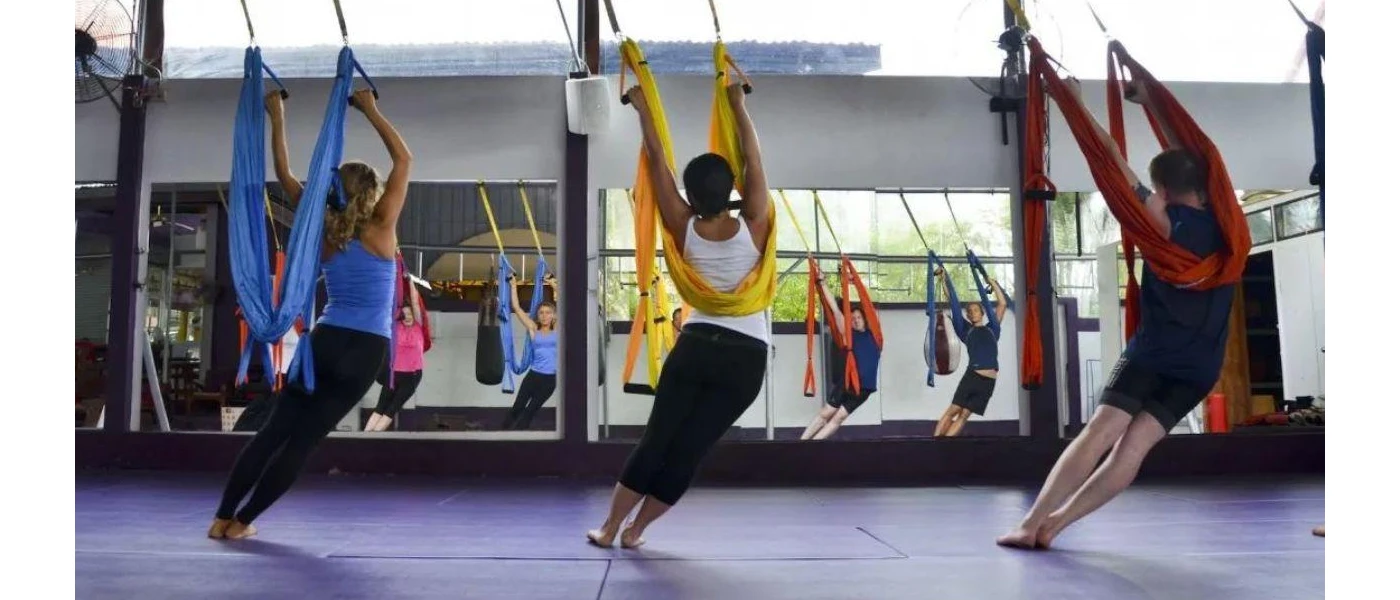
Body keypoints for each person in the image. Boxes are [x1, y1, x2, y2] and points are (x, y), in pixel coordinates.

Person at [997, 77, 1235, 550]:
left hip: (1154, 354)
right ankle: (1057, 524)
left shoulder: (1162, 221)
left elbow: (1110, 160)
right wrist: (1153, 102)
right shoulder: (1230, 228)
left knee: (1100, 431)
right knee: (1133, 450)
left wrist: (1078, 105)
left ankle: (1031, 524)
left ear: (1164, 189)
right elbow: (1193, 150)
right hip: (1200, 367)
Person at [208, 88, 412, 540]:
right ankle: (242, 523)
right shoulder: (381, 227)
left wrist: (277, 111)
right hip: (365, 349)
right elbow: (404, 160)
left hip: (323, 342)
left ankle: (221, 517)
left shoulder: (320, 224)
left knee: (272, 433)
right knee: (301, 443)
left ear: (335, 188)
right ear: (373, 194)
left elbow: (284, 173)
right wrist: (371, 108)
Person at [587, 82, 771, 549]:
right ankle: (636, 533)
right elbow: (754, 160)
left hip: (696, 346)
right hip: (745, 358)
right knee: (689, 451)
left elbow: (656, 159)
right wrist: (737, 105)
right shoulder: (755, 223)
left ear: (691, 193)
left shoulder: (681, 226)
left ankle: (608, 529)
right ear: (731, 188)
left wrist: (645, 106)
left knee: (657, 440)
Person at [934, 269, 1006, 437]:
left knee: (964, 415)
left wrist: (992, 282)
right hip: (972, 376)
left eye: (976, 310)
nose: (972, 312)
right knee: (954, 410)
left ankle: (946, 448)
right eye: (969, 311)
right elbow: (952, 301)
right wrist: (944, 278)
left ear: (982, 313)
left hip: (988, 382)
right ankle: (933, 445)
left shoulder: (993, 329)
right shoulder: (966, 330)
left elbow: (1002, 304)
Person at [801, 305, 881, 440]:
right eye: (853, 318)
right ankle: (801, 442)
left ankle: (814, 443)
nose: (856, 320)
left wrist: (855, 284)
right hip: (848, 382)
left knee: (839, 417)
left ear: (864, 319)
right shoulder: (849, 336)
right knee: (826, 413)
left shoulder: (875, 337)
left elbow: (870, 310)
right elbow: (837, 313)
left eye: (859, 317)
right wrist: (824, 285)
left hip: (864, 389)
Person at [501, 275, 559, 430]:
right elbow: (517, 308)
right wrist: (513, 286)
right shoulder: (534, 329)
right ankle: (502, 436)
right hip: (533, 376)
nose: (544, 315)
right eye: (541, 313)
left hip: (550, 379)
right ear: (538, 316)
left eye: (548, 312)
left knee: (530, 412)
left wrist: (554, 286)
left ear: (553, 315)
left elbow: (566, 306)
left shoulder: (559, 329)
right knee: (518, 407)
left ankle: (519, 440)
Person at [367, 292, 427, 432]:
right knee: (380, 408)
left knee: (392, 409)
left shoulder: (418, 326)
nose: (408, 317)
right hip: (393, 374)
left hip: (412, 375)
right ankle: (364, 437)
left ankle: (372, 438)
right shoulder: (395, 327)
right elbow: (388, 308)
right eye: (404, 314)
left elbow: (415, 303)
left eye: (410, 314)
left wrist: (410, 280)